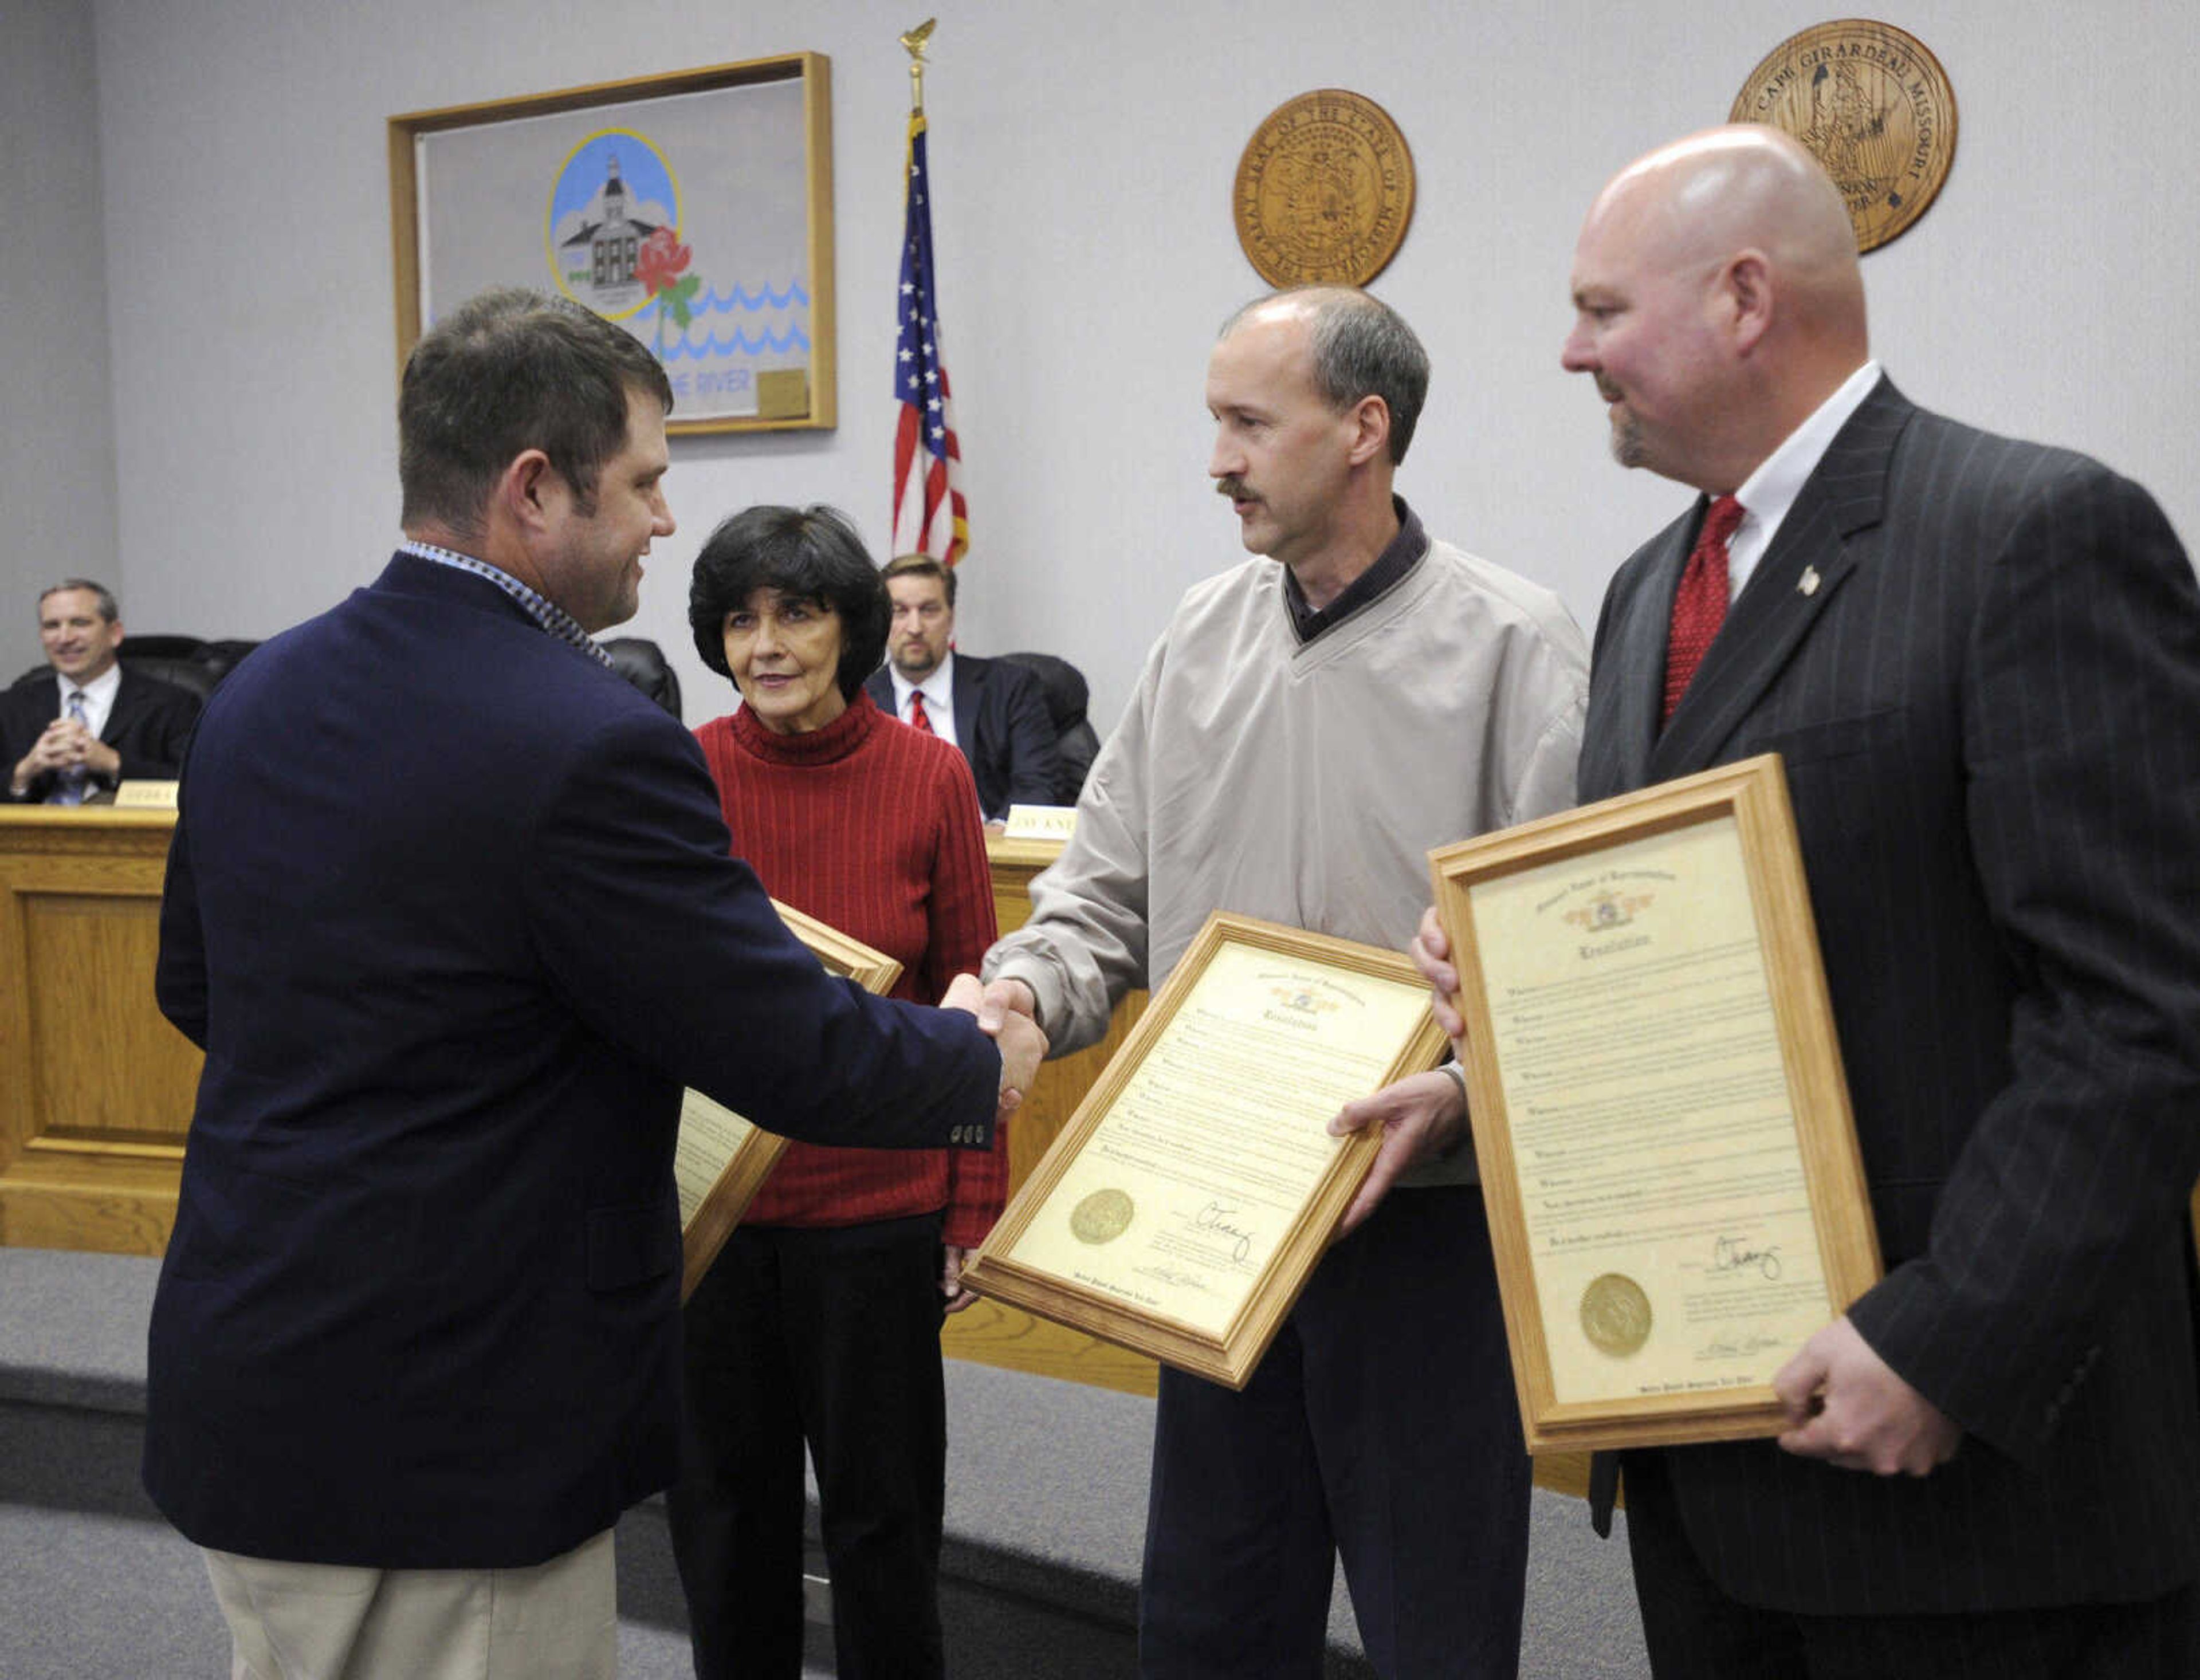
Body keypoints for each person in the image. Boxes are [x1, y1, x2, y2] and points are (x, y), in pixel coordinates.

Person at [144, 288, 1042, 1680]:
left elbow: (198, 992)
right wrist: (979, 1059)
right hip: (451, 1434)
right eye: (643, 483)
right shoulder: (587, 741)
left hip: (253, 1383)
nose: (662, 521)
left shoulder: (257, 692)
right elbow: (781, 1048)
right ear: (532, 490)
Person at [1417, 126, 2200, 1675]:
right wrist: (1500, 1030)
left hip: (1976, 1503)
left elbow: (2138, 1010)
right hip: (1718, 1473)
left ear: (1746, 298)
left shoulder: (2029, 533)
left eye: (1600, 311)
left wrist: (1951, 1340)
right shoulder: (1653, 588)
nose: (1572, 354)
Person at [978, 286, 1589, 1678]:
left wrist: (1456, 1089)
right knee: (1207, 1632)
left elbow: (1558, 966)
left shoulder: (1514, 645)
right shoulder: (1199, 634)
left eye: (1248, 423)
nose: (1216, 460)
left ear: (1363, 429)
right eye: (1214, 424)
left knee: (1435, 1633)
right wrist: (1023, 992)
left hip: (1421, 1238)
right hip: (1212, 1227)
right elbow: (1099, 896)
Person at [669, 505, 1009, 1679]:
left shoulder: (930, 776)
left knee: (882, 1523)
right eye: (740, 617)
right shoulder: (681, 772)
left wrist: (972, 1206)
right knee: (726, 1522)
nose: (766, 642)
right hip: (714, 1226)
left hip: (877, 1220)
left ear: (851, 627)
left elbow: (978, 1002)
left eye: (797, 613)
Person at [863, 552, 1063, 819]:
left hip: (989, 851)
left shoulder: (1010, 688)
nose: (915, 627)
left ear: (951, 617)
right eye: (899, 612)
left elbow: (1039, 787)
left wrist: (991, 840)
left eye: (929, 610)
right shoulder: (856, 699)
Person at [2, 579, 201, 801]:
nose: (65, 638)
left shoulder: (173, 704)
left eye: (80, 623)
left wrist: (113, 764)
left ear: (114, 633)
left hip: (129, 834)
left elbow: (197, 788)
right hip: (25, 835)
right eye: (52, 626)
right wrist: (23, 773)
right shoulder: (10, 706)